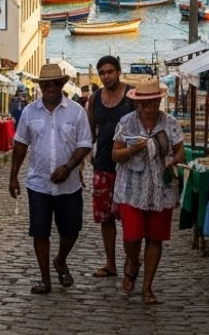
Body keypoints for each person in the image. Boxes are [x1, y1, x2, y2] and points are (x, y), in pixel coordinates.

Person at [9, 62, 93, 295]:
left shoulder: (76, 111)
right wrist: (13, 176)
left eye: (55, 84)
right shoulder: (29, 112)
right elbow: (20, 144)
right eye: (46, 84)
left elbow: (85, 143)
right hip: (38, 183)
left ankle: (61, 260)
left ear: (61, 85)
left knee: (71, 230)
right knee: (40, 231)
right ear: (41, 86)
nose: (50, 88)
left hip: (69, 185)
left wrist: (68, 167)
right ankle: (45, 279)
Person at [111, 78, 185, 305]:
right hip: (131, 189)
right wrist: (132, 150)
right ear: (138, 103)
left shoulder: (170, 123)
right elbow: (115, 154)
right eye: (145, 103)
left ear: (159, 101)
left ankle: (147, 287)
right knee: (132, 236)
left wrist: (172, 160)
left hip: (161, 189)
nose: (150, 106)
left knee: (155, 238)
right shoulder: (126, 123)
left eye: (154, 102)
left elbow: (180, 150)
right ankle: (133, 261)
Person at [86, 55, 135, 279]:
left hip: (129, 166)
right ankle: (110, 263)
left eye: (109, 71)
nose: (106, 76)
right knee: (105, 218)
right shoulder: (95, 98)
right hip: (103, 165)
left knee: (129, 217)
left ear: (118, 72)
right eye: (102, 73)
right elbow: (90, 131)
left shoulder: (131, 96)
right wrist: (87, 154)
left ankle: (131, 261)